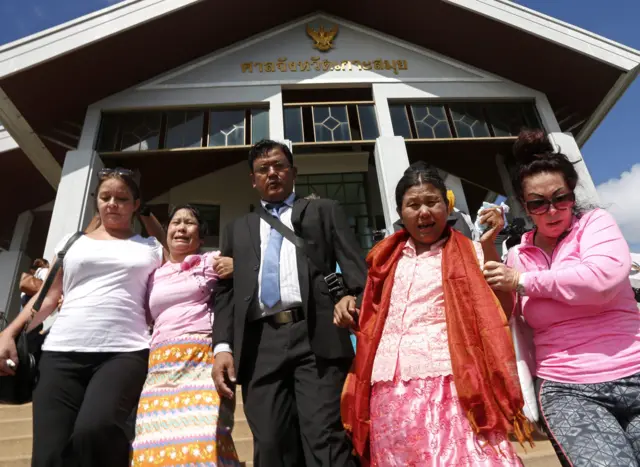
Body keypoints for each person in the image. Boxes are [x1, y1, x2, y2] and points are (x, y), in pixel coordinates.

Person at [339, 161, 531, 466]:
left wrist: (488, 245)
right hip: (387, 388)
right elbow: (373, 319)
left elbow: (502, 310)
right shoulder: (383, 261)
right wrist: (350, 307)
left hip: (452, 382)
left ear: (447, 205)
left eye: (432, 202)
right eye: (413, 204)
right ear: (401, 213)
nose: (423, 212)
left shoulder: (472, 252)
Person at [484, 129, 640, 467]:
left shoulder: (596, 224)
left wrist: (524, 282)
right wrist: (487, 245)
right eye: (538, 204)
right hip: (567, 388)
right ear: (524, 206)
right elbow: (508, 315)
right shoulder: (517, 255)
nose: (552, 210)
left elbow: (601, 279)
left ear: (572, 194)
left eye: (561, 198)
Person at [212, 139, 367, 467]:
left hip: (316, 337)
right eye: (263, 169)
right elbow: (225, 295)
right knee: (270, 444)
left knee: (325, 438)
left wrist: (353, 298)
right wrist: (223, 346)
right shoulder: (237, 229)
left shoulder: (324, 210)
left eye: (279, 166)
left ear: (293, 172)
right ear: (253, 180)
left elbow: (357, 270)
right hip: (259, 343)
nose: (272, 173)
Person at [0, 168, 163, 467]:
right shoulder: (73, 242)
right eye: (105, 197)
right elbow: (47, 297)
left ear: (136, 205)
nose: (112, 203)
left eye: (122, 198)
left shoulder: (150, 247)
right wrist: (9, 333)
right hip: (61, 352)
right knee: (49, 453)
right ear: (97, 201)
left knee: (96, 429)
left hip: (124, 351)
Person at [131, 205, 240, 467]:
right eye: (175, 223)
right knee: (154, 440)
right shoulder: (154, 274)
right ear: (166, 232)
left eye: (189, 223)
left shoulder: (209, 261)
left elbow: (249, 269)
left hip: (200, 359)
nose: (181, 227)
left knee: (202, 438)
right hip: (159, 364)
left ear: (201, 238)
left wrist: (238, 264)